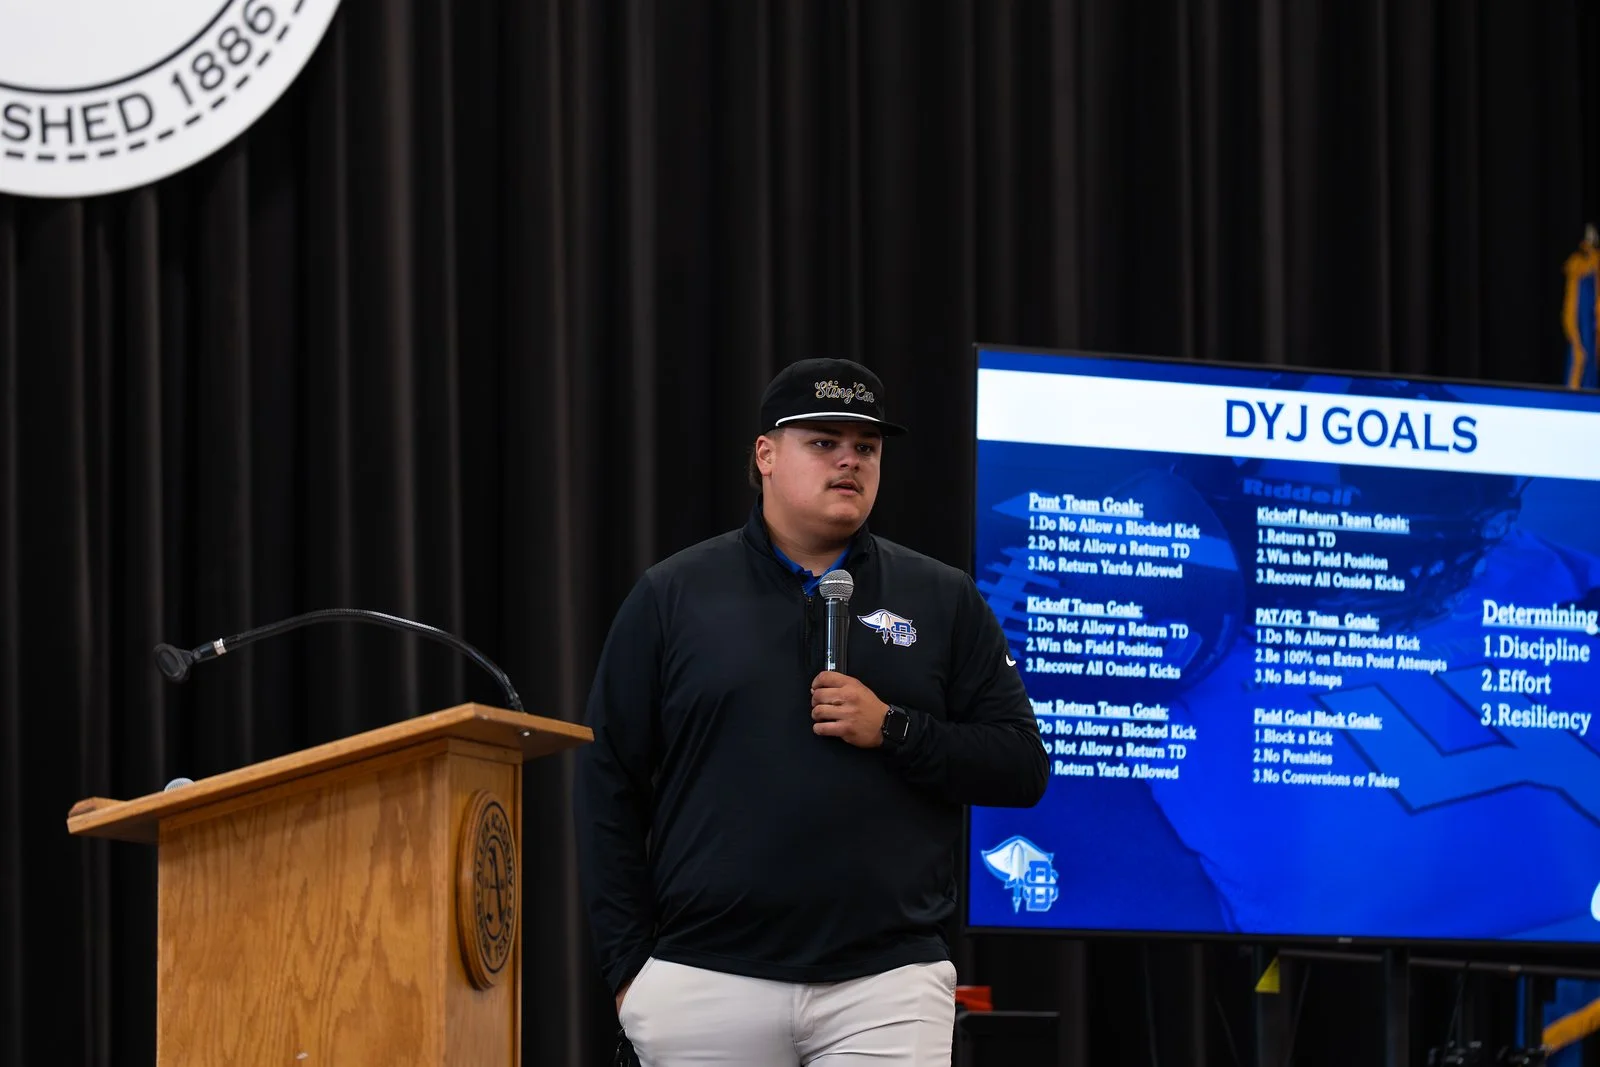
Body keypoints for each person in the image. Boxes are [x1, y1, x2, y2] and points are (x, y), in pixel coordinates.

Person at [574, 357, 1048, 1066]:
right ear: (766, 455)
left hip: (886, 985)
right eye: (824, 442)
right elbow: (607, 780)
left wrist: (894, 727)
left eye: (867, 446)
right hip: (706, 976)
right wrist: (628, 971)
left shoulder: (942, 598)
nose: (849, 460)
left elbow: (1020, 766)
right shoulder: (674, 595)